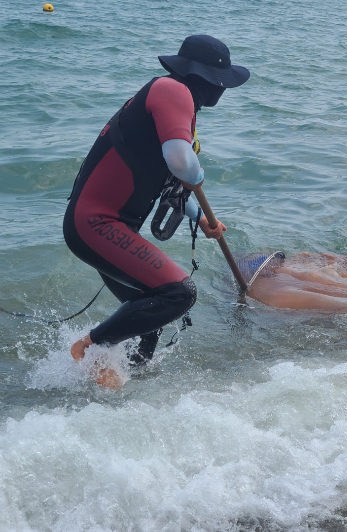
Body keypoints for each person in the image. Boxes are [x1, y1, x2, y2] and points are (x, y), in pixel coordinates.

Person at [63, 35, 249, 387]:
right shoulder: (172, 90)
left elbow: (171, 186)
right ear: (205, 79)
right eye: (220, 82)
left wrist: (202, 219)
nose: (223, 91)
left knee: (150, 315)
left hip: (102, 227)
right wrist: (199, 172)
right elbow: (182, 163)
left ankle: (120, 393)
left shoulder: (175, 105)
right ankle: (87, 347)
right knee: (179, 294)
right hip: (95, 224)